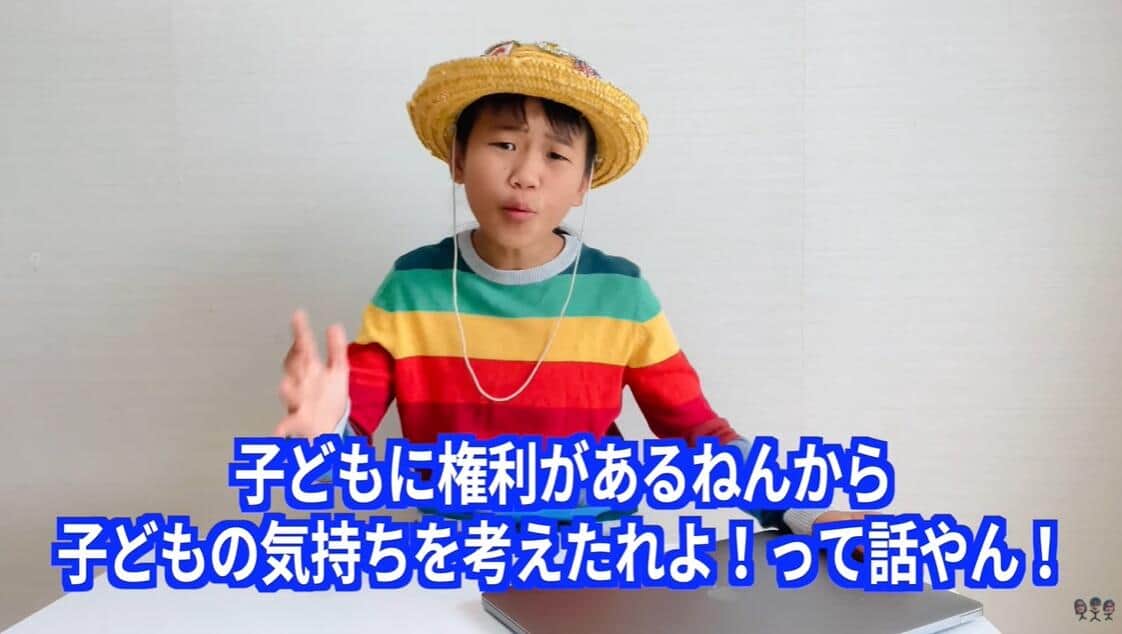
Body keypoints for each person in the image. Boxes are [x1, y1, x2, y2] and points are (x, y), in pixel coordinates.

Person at [273, 40, 862, 535]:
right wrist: (324, 432)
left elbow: (698, 433)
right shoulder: (411, 287)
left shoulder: (622, 294)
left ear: (584, 183)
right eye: (504, 144)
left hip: (596, 558)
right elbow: (347, 446)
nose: (526, 175)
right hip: (454, 562)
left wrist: (806, 512)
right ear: (458, 159)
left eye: (556, 155)